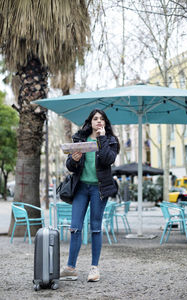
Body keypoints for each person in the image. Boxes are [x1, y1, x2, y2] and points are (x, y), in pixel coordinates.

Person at [60, 109, 120, 282]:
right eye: (95, 118)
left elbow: (108, 160)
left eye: (102, 119)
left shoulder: (111, 140)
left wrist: (101, 138)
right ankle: (71, 268)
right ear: (90, 121)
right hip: (81, 188)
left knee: (95, 227)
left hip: (99, 189)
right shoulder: (80, 138)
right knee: (75, 227)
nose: (98, 121)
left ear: (105, 123)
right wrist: (75, 159)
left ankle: (94, 268)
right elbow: (70, 166)